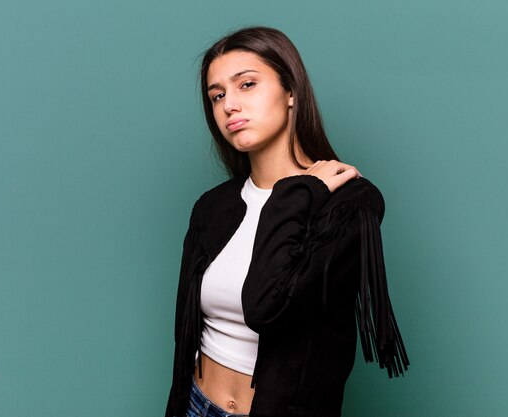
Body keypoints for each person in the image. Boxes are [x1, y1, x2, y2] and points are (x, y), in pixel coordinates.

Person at [165, 26, 409, 417]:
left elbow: (266, 306)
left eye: (246, 85)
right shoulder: (213, 208)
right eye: (217, 95)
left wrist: (296, 194)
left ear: (291, 92)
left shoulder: (349, 205)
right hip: (197, 404)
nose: (229, 105)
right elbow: (186, 337)